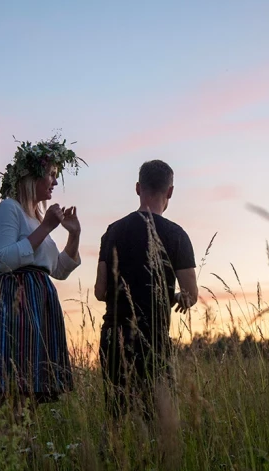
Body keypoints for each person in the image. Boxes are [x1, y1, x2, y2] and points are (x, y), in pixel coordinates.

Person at [0, 135, 85, 411]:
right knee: (13, 389)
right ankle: (4, 448)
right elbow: (1, 259)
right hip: (14, 302)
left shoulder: (35, 216)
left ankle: (26, 450)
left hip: (39, 302)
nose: (55, 182)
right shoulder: (9, 209)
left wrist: (74, 235)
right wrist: (46, 227)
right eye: (51, 174)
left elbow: (57, 270)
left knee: (32, 391)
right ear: (32, 177)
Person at [94, 159, 198, 419]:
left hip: (114, 338)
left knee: (117, 421)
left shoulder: (113, 231)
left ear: (138, 188)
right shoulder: (177, 235)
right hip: (154, 341)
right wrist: (172, 297)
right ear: (170, 192)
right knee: (158, 421)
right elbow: (191, 295)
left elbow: (99, 291)